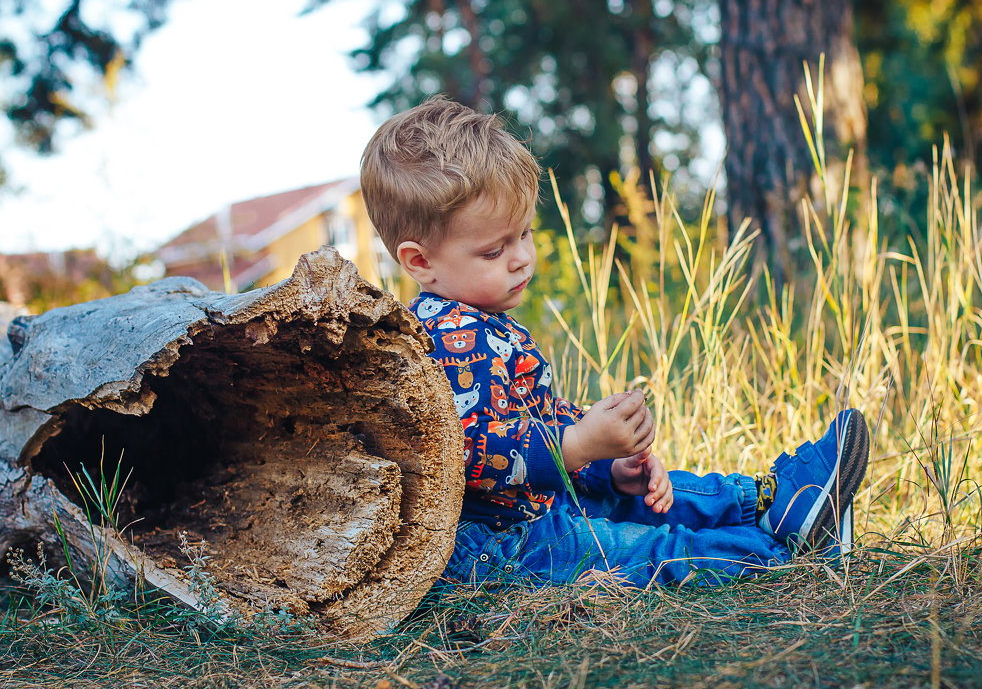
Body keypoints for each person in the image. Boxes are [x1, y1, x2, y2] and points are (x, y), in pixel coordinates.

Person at [359, 96, 870, 588]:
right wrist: (579, 445)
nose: (521, 259)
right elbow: (469, 452)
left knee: (656, 497)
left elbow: (540, 418)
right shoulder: (435, 342)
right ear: (419, 261)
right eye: (494, 250)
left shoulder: (483, 320)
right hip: (499, 545)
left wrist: (605, 465)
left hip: (545, 507)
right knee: (642, 551)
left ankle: (779, 499)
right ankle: (785, 551)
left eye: (525, 234)